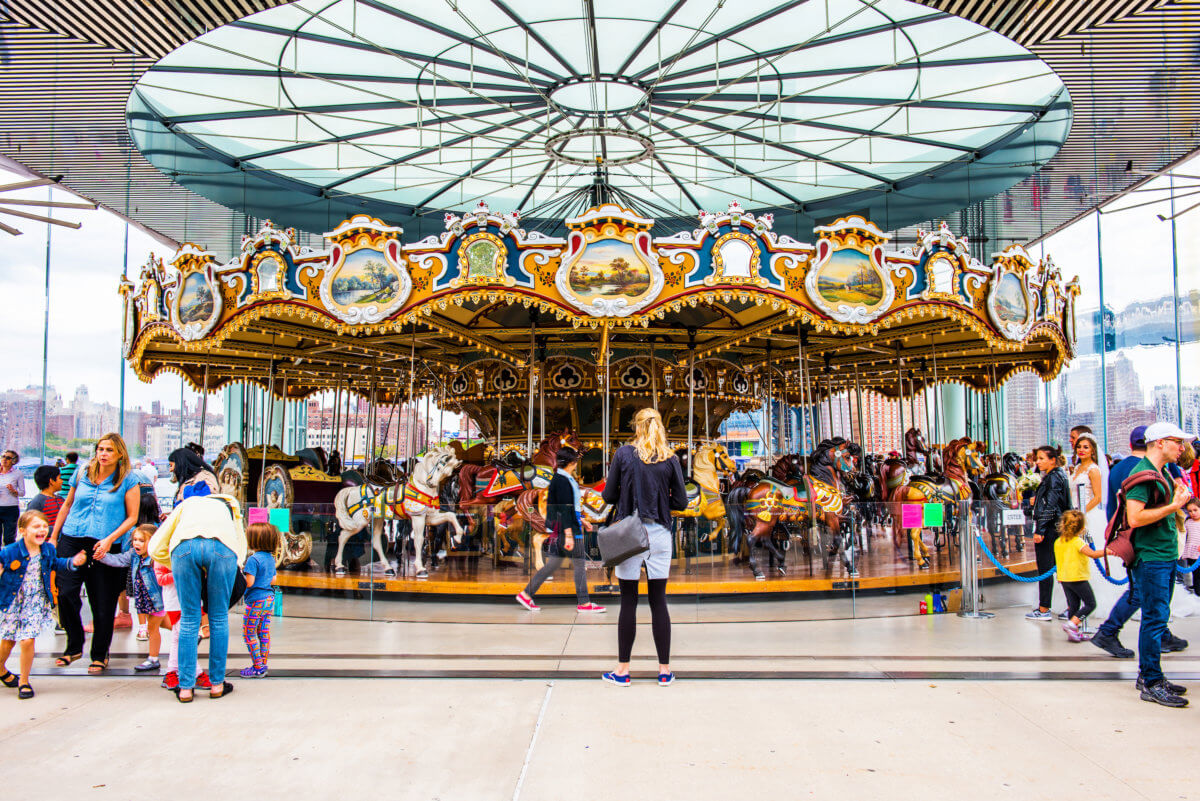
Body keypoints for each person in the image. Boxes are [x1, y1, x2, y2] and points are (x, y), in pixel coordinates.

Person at [600, 408, 688, 686]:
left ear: (637, 428)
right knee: (658, 601)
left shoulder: (624, 454)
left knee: (628, 601)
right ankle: (664, 671)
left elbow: (609, 494)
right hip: (660, 533)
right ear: (660, 426)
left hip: (630, 533)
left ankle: (623, 671)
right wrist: (662, 502)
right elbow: (682, 502)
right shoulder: (670, 458)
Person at [49, 434, 140, 674]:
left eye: (109, 449)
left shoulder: (128, 479)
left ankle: (100, 654)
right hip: (72, 537)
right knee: (66, 592)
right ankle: (75, 642)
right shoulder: (82, 472)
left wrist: (110, 539)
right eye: (100, 449)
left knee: (102, 601)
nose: (103, 453)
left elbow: (132, 516)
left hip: (105, 542)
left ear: (120, 453)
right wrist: (53, 536)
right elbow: (67, 504)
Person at [1119, 422, 1194, 707]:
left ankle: (1150, 675)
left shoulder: (1159, 473)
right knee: (1154, 620)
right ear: (1160, 442)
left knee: (1157, 618)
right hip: (1152, 559)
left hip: (1161, 556)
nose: (1182, 448)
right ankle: (1151, 681)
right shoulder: (1143, 475)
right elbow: (1135, 517)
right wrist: (1174, 506)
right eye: (1178, 442)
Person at [149, 493, 247, 702]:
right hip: (223, 548)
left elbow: (155, 545)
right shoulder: (230, 504)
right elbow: (240, 543)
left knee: (189, 618)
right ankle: (217, 684)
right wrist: (233, 565)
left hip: (183, 548)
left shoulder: (187, 504)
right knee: (218, 617)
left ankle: (185, 687)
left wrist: (172, 562)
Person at [0, 511, 86, 698]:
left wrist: (73, 562)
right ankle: (1, 670)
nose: (42, 530)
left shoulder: (47, 550)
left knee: (27, 639)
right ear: (22, 531)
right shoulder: (9, 552)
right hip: (13, 601)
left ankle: (24, 681)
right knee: (8, 641)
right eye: (36, 526)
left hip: (35, 600)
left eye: (44, 526)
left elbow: (56, 564)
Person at [515, 447, 606, 614]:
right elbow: (564, 508)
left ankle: (527, 593)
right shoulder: (564, 480)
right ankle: (584, 603)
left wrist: (582, 520)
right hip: (568, 529)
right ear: (572, 462)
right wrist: (570, 534)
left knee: (554, 564)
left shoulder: (561, 478)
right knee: (579, 564)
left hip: (565, 527)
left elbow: (569, 507)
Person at [96, 524, 169, 673]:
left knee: (152, 628)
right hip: (145, 600)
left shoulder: (157, 558)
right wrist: (102, 556)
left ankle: (153, 659)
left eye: (141, 540)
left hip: (157, 601)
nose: (137, 543)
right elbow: (119, 560)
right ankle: (191, 635)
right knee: (167, 625)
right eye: (135, 539)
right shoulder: (134, 556)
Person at [1026, 445, 1071, 621]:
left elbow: (1051, 506)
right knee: (1059, 569)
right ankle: (1069, 606)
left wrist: (1041, 529)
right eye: (1038, 458)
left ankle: (1044, 609)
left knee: (1046, 568)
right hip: (1056, 527)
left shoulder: (1053, 477)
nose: (1038, 461)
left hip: (1051, 529)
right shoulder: (1057, 475)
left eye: (1042, 458)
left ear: (1052, 459)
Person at [1054, 510, 1105, 641]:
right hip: (1078, 578)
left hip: (1064, 579)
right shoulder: (1078, 542)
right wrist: (1108, 551)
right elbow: (1093, 554)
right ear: (1082, 528)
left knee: (1073, 605)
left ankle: (1074, 632)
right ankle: (1071, 624)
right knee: (1090, 604)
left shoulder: (1058, 542)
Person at [241, 522, 280, 678]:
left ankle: (257, 666)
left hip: (255, 601)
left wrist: (238, 579)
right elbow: (274, 579)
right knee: (263, 632)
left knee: (249, 633)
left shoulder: (253, 559)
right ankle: (263, 663)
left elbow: (249, 582)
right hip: (269, 599)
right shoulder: (270, 558)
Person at [1070, 433, 1107, 550]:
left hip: (1089, 513)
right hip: (1074, 513)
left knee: (1089, 548)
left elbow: (1098, 497)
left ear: (1092, 451)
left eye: (1086, 447)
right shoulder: (1076, 468)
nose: (1081, 450)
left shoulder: (1094, 470)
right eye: (1079, 447)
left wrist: (1081, 512)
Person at [0, 450, 23, 546]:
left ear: (14, 461)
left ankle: (9, 559)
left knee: (9, 538)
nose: (4, 459)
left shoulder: (18, 474)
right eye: (3, 456)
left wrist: (14, 491)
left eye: (8, 458)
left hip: (11, 509)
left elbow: (22, 492)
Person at [1181, 499, 1200, 594]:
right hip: (1191, 551)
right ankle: (1197, 587)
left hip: (1199, 551)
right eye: (1190, 511)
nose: (1193, 513)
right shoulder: (1188, 522)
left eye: (1195, 510)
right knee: (1194, 571)